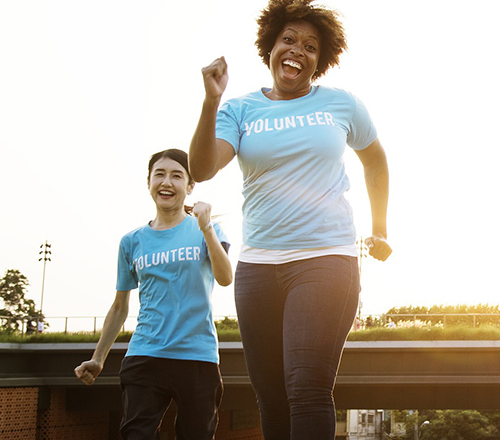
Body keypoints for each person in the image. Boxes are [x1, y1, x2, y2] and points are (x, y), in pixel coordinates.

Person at [188, 0, 392, 437]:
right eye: (289, 40)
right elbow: (202, 169)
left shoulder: (341, 105)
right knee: (272, 397)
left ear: (321, 60)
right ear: (271, 46)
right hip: (257, 266)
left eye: (310, 46)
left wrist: (380, 229)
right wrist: (211, 102)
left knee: (307, 387)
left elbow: (375, 162)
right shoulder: (239, 110)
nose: (297, 50)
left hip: (326, 259)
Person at [75, 149, 233, 439]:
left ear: (190, 186)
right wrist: (98, 358)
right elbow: (120, 306)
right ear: (148, 182)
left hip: (197, 356)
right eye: (159, 174)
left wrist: (207, 227)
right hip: (145, 354)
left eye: (177, 175)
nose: (167, 182)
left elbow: (225, 278)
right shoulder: (132, 242)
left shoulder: (207, 230)